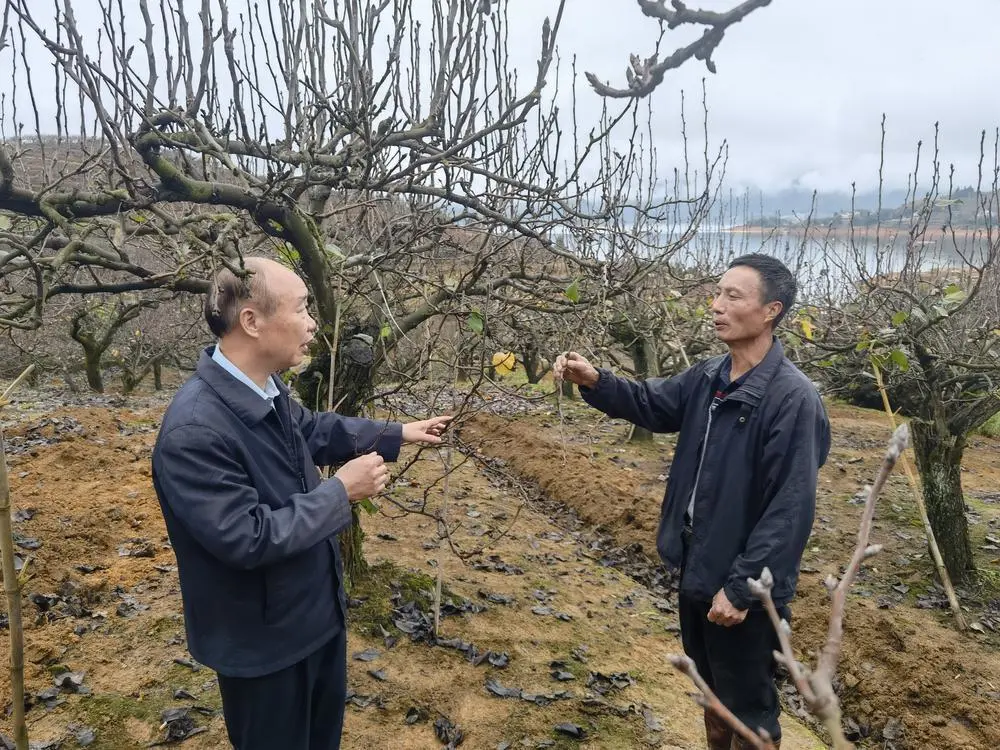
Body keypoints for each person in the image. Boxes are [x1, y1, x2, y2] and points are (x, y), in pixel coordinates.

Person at [151, 257, 451, 750]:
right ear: (252, 321)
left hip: (313, 620)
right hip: (263, 647)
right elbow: (246, 537)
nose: (313, 323)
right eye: (302, 308)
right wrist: (340, 492)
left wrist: (398, 432)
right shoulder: (196, 430)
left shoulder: (264, 391)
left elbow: (312, 430)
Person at [555, 254, 830, 749]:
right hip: (699, 568)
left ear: (771, 310)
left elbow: (790, 510)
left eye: (733, 296)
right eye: (717, 293)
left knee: (749, 711)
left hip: (743, 585)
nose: (717, 306)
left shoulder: (792, 399)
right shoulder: (710, 377)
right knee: (710, 696)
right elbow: (652, 404)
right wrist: (596, 380)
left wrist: (743, 589)